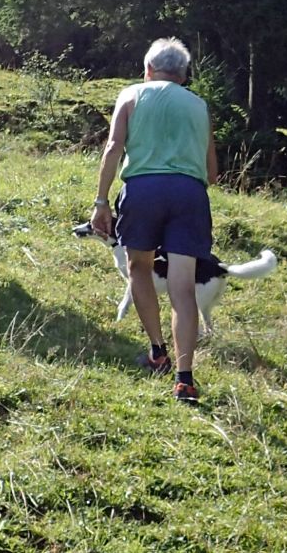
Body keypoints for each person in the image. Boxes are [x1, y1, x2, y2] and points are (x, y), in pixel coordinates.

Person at [90, 38, 218, 403]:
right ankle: (185, 377)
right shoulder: (199, 105)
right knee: (182, 288)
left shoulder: (132, 94)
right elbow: (212, 172)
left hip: (144, 190)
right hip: (190, 196)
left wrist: (101, 201)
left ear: (148, 69)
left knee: (139, 267)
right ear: (183, 74)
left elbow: (114, 147)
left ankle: (157, 351)